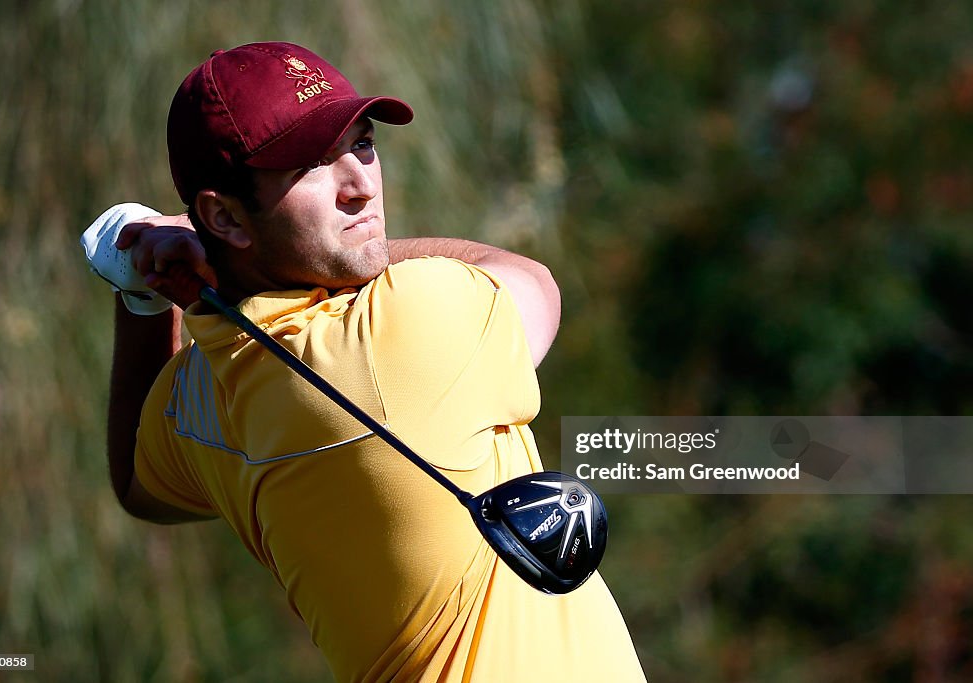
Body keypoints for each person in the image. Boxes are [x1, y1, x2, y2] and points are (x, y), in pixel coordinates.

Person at [90, 42, 647, 682]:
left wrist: (138, 292)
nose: (360, 186)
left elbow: (137, 483)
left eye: (362, 144)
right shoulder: (408, 325)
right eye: (312, 166)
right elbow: (529, 279)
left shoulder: (196, 400)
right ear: (223, 214)